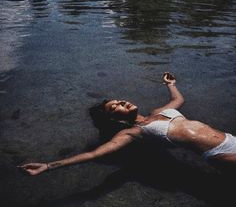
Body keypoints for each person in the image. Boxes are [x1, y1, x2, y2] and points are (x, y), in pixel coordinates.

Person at [18, 72, 236, 175]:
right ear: (115, 119)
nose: (121, 102)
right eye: (115, 107)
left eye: (119, 100)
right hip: (218, 154)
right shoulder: (132, 133)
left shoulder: (158, 112)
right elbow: (94, 154)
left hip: (230, 138)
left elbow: (178, 101)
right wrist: (48, 166)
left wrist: (170, 84)